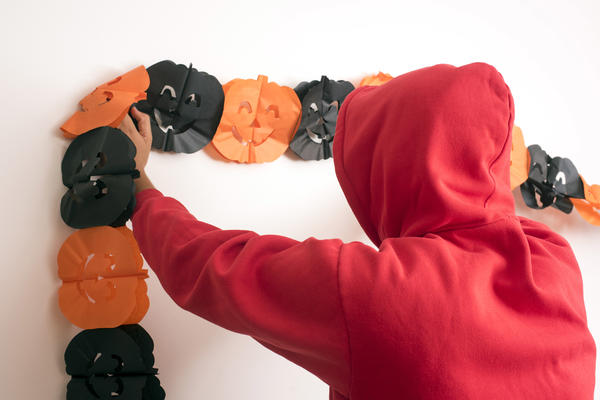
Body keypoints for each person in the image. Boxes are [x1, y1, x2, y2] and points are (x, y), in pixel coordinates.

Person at [119, 63, 596, 399]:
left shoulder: (380, 291)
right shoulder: (553, 259)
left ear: (392, 170)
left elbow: (216, 269)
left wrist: (139, 186)